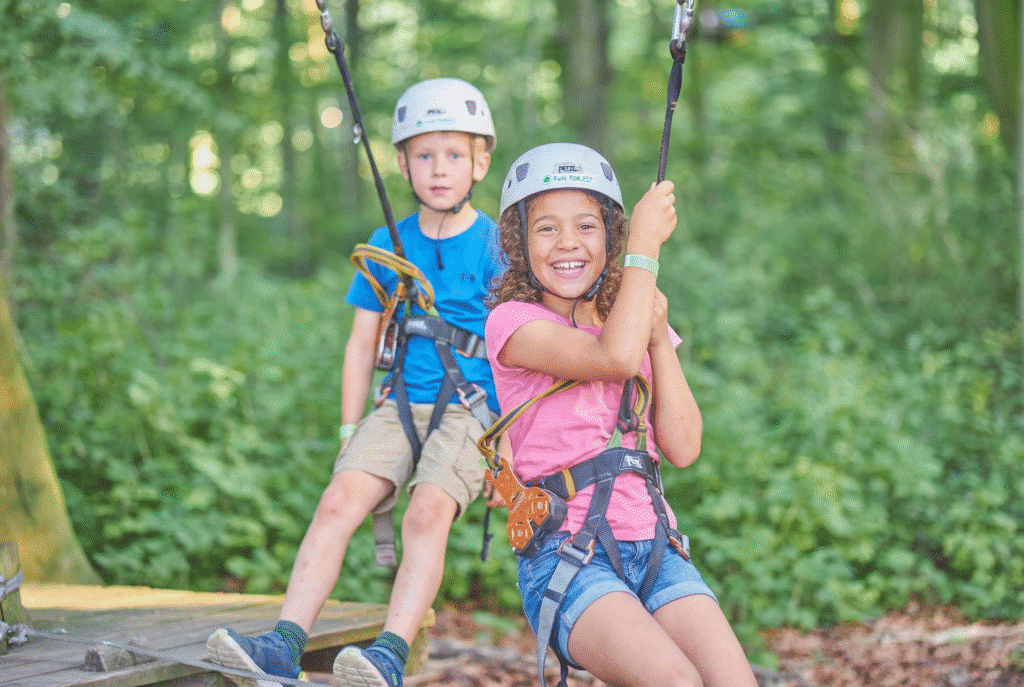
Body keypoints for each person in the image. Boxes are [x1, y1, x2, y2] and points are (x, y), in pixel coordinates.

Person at [206, 77, 503, 687]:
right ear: (401, 163)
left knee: (426, 513)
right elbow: (361, 344)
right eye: (424, 154)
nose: (439, 169)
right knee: (338, 500)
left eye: (454, 154)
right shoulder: (385, 246)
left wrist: (513, 449)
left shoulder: (498, 244)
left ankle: (389, 654)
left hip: (471, 414)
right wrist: (350, 431)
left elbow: (515, 352)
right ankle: (284, 643)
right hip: (398, 406)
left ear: (480, 160)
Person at [483, 143, 758, 687]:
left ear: (608, 235)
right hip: (568, 554)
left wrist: (657, 335)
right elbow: (610, 359)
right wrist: (645, 250)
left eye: (586, 226)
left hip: (656, 545)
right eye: (546, 229)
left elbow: (682, 448)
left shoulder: (631, 322)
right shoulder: (514, 323)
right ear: (518, 241)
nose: (568, 243)